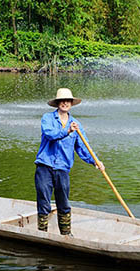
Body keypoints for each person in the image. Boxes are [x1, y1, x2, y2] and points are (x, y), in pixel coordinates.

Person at [34, 88, 104, 236]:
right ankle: (42, 234)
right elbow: (50, 134)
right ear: (57, 103)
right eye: (62, 101)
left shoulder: (76, 125)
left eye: (68, 101)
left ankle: (66, 234)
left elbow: (83, 148)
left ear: (71, 104)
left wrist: (95, 161)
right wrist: (67, 132)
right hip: (44, 166)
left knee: (64, 203)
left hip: (63, 168)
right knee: (44, 201)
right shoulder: (47, 118)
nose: (65, 103)